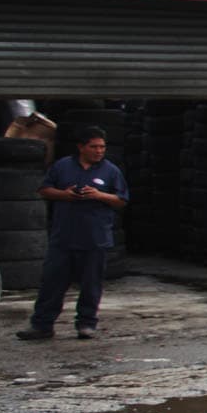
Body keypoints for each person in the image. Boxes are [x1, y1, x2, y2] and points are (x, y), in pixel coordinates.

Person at [16, 125, 129, 342]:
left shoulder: (110, 171)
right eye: (94, 147)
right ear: (81, 147)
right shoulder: (63, 167)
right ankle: (42, 325)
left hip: (95, 238)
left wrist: (99, 195)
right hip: (63, 238)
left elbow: (121, 200)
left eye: (102, 147)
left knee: (91, 285)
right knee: (51, 284)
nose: (99, 151)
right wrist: (65, 194)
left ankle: (86, 324)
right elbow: (44, 190)